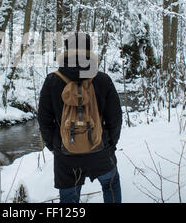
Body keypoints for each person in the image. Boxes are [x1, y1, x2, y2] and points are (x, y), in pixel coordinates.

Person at [38, 32, 123, 203]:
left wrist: (53, 146)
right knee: (111, 184)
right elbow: (115, 118)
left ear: (67, 50)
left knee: (69, 197)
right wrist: (110, 144)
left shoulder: (52, 81)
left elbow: (44, 120)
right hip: (100, 150)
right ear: (89, 50)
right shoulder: (102, 79)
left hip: (66, 154)